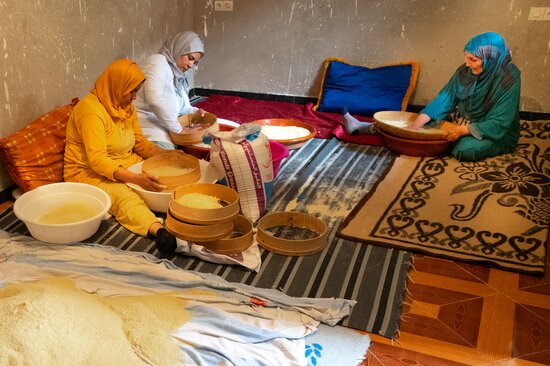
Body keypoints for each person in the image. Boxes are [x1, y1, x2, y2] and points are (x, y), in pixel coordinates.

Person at [64, 59, 178, 252]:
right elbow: (97, 160)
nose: (135, 97)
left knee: (164, 175)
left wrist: (170, 156)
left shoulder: (124, 106)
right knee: (124, 196)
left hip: (124, 161)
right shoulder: (90, 111)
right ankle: (158, 231)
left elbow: (141, 144)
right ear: (117, 85)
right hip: (88, 173)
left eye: (136, 91)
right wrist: (135, 178)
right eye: (132, 91)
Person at [409, 31, 521, 161]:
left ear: (491, 59)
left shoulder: (509, 78)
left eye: (473, 59)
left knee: (465, 149)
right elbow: (444, 99)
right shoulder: (465, 70)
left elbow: (500, 122)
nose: (467, 64)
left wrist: (461, 131)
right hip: (466, 122)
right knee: (428, 123)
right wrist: (413, 128)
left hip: (496, 131)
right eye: (466, 57)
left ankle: (458, 138)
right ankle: (451, 136)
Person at [135, 31, 205, 149]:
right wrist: (178, 129)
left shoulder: (178, 76)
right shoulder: (156, 63)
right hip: (147, 124)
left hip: (166, 123)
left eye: (194, 62)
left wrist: (196, 112)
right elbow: (155, 100)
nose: (190, 65)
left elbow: (182, 107)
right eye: (190, 58)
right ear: (179, 48)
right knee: (171, 158)